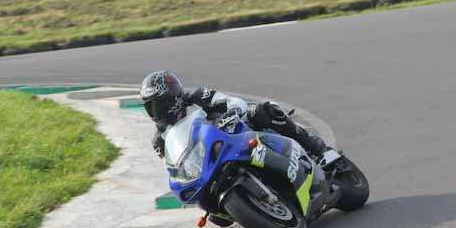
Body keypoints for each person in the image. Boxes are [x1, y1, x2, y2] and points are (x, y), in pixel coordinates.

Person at [140, 70, 327, 159]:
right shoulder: (160, 140)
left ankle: (310, 144)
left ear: (173, 97)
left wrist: (232, 113)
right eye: (150, 106)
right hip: (211, 161)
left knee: (265, 110)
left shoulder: (198, 96)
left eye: (158, 104)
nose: (155, 110)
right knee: (216, 216)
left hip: (240, 134)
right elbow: (174, 168)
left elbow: (234, 101)